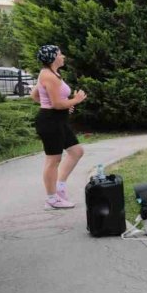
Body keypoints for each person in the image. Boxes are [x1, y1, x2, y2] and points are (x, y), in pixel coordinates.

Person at [30, 45, 87, 210]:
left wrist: (64, 104)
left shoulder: (51, 73)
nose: (63, 56)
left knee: (76, 152)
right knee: (53, 160)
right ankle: (52, 199)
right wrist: (75, 100)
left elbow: (36, 95)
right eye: (60, 54)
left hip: (58, 120)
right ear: (53, 57)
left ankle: (59, 188)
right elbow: (56, 103)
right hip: (50, 121)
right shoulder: (49, 76)